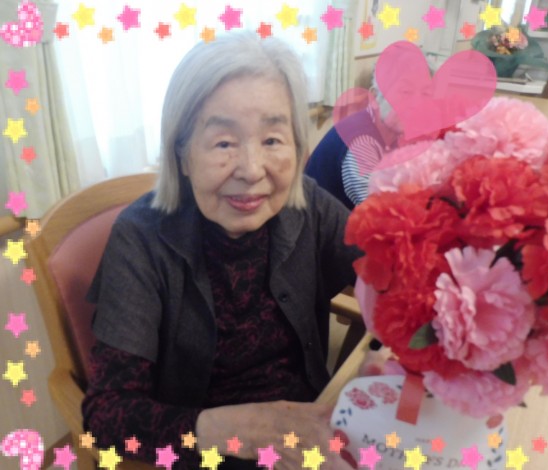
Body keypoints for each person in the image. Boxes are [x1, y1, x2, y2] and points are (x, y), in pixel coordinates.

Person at [82, 32, 361, 469]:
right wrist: (232, 429)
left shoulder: (307, 204)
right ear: (182, 154)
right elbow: (106, 415)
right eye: (224, 143)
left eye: (272, 140)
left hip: (308, 430)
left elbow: (389, 270)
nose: (251, 170)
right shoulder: (140, 238)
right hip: (204, 452)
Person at [304, 78, 403, 209]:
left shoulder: (395, 134)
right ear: (375, 97)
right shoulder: (362, 141)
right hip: (315, 219)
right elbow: (378, 212)